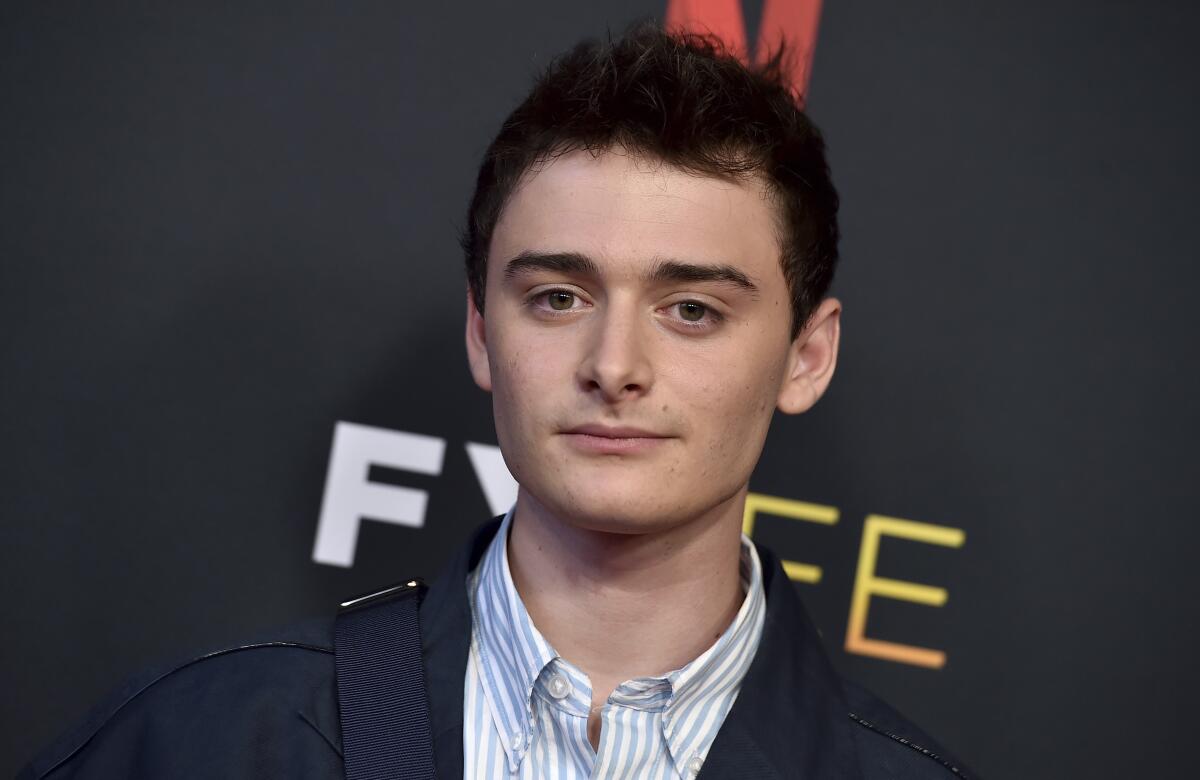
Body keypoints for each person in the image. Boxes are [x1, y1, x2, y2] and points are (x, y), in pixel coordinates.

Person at [21, 22, 975, 780]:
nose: (614, 364)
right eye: (559, 297)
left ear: (806, 357)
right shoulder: (203, 744)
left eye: (691, 309)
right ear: (483, 332)